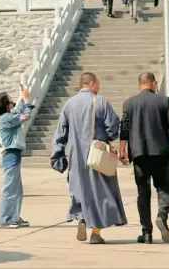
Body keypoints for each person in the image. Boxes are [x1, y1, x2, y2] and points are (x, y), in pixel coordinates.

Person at [51, 72, 127, 244]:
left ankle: (83, 219)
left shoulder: (69, 104)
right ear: (91, 83)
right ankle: (96, 232)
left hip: (76, 158)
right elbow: (113, 126)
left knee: (80, 190)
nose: (98, 86)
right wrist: (108, 138)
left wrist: (57, 155)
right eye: (98, 83)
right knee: (100, 192)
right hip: (97, 155)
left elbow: (60, 133)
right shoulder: (99, 101)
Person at [119, 72, 169, 245]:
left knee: (143, 193)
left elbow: (124, 128)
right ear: (154, 83)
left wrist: (122, 150)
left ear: (139, 84)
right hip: (160, 153)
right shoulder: (163, 101)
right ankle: (161, 216)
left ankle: (146, 233)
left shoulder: (129, 103)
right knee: (164, 188)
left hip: (139, 154)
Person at [0, 84, 34, 229]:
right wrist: (27, 100)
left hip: (14, 155)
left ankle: (14, 216)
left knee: (16, 189)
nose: (13, 103)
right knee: (10, 189)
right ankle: (4, 220)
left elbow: (18, 111)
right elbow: (25, 116)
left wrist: (23, 96)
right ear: (5, 105)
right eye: (11, 101)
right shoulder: (6, 118)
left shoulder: (9, 116)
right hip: (10, 155)